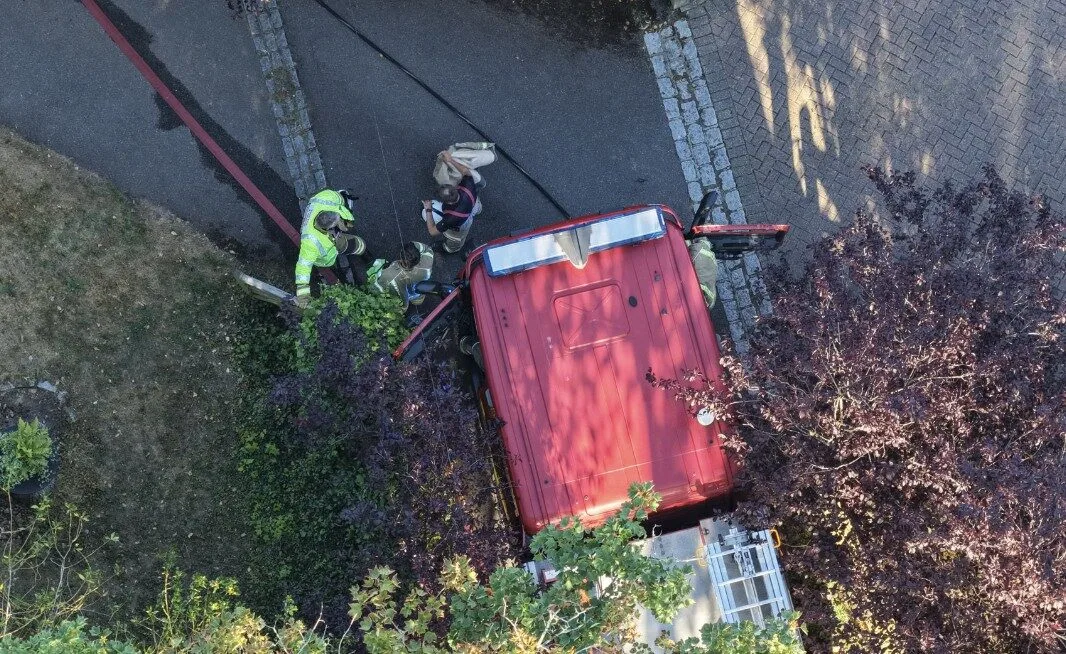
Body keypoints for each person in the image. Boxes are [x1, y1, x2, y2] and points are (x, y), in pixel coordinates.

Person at [293, 188, 368, 306]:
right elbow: (303, 266)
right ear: (328, 228)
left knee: (358, 244)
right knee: (356, 244)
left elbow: (338, 197)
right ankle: (364, 253)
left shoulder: (325, 199)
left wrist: (343, 201)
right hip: (328, 255)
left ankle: (362, 250)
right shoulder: (310, 243)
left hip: (332, 240)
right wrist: (303, 294)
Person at [423, 151, 481, 254]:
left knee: (455, 239)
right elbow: (466, 171)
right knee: (477, 207)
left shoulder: (451, 219)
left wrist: (428, 209)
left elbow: (432, 231)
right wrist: (450, 160)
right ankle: (479, 210)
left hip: (463, 223)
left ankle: (451, 248)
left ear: (448, 203)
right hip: (473, 203)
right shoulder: (468, 185)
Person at [368, 241, 435, 307]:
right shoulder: (427, 261)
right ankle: (417, 302)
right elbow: (427, 249)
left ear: (401, 256)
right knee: (418, 299)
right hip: (418, 293)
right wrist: (412, 247)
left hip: (407, 296)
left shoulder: (389, 275)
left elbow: (379, 287)